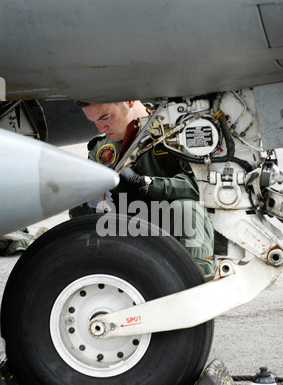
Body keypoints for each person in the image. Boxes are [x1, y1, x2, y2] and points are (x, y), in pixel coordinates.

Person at [70, 100, 216, 276]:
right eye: (94, 122)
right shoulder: (101, 148)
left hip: (171, 224)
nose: (101, 128)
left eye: (106, 117)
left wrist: (147, 185)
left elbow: (201, 185)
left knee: (186, 209)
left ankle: (197, 280)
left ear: (129, 102)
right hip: (127, 227)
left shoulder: (173, 132)